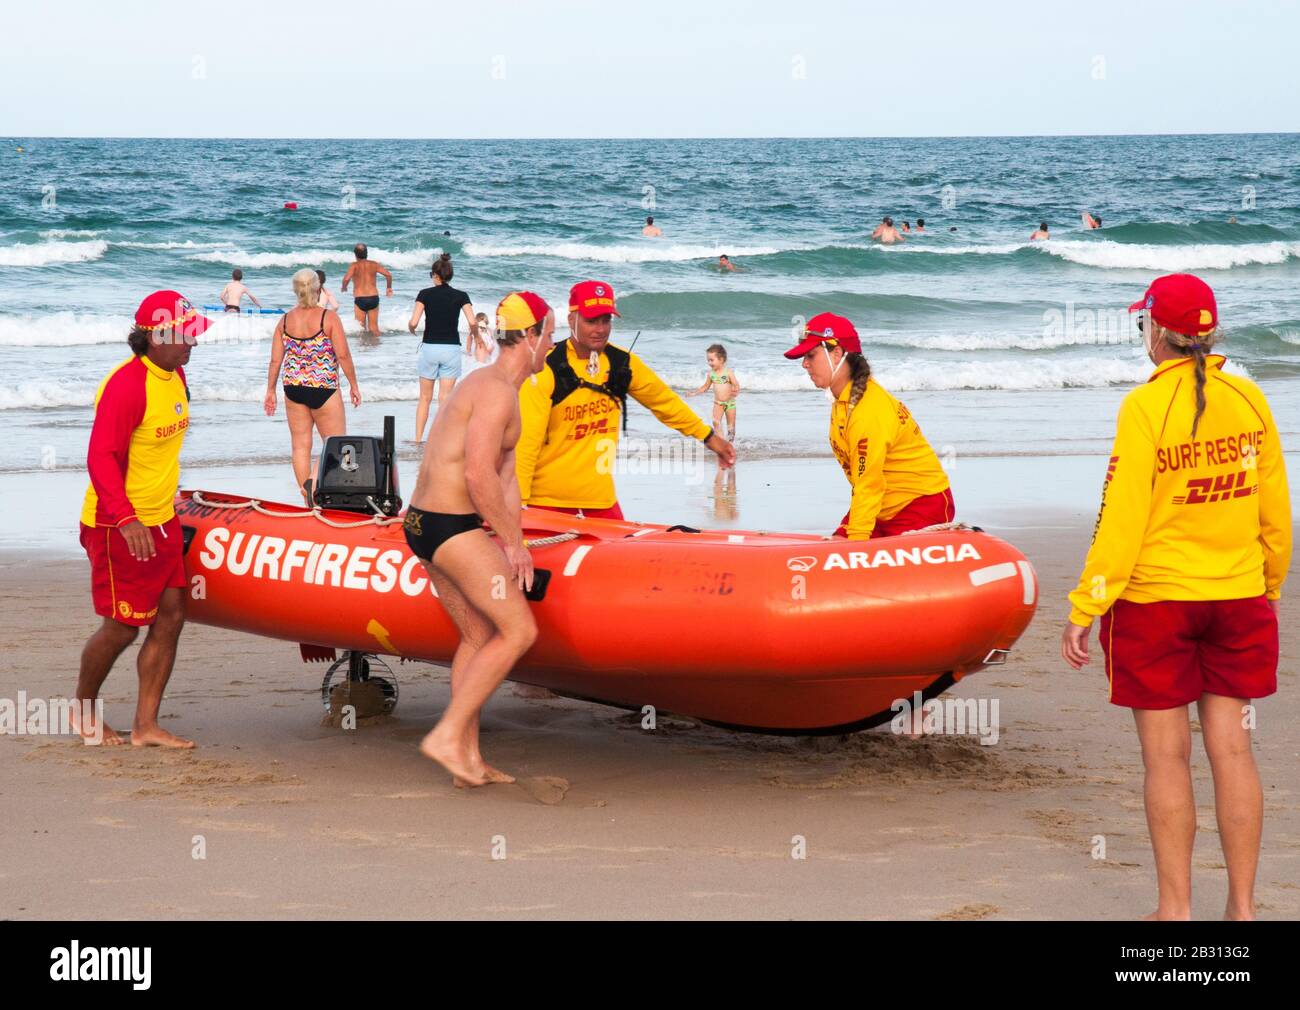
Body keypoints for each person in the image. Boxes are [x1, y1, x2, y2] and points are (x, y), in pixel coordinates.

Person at [1061, 274, 1291, 921]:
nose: (1144, 335)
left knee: (1166, 756)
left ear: (1157, 333)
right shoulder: (1250, 399)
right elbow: (1276, 514)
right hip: (1238, 597)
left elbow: (1122, 518)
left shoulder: (1143, 408)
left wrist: (1087, 604)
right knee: (1234, 749)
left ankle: (1174, 910)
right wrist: (1265, 585)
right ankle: (1243, 911)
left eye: (1143, 326)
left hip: (1157, 602)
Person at [403, 291, 555, 787]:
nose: (552, 345)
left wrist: (518, 537)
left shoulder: (490, 385)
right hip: (450, 527)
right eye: (549, 335)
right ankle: (447, 735)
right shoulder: (495, 391)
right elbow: (477, 476)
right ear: (528, 338)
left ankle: (466, 759)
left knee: (477, 635)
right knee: (519, 632)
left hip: (423, 525)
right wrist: (511, 544)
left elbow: (506, 481)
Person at [76, 291, 210, 748]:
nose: (192, 341)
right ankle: (83, 709)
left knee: (172, 616)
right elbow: (101, 458)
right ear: (156, 336)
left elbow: (158, 449)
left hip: (162, 519)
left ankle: (145, 726)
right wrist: (128, 518)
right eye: (183, 332)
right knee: (122, 626)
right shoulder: (127, 385)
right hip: (117, 524)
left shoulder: (176, 374)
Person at [516, 279, 736, 519]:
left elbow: (666, 404)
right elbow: (525, 444)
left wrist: (709, 437)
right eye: (591, 320)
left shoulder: (622, 364)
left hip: (600, 500)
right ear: (571, 320)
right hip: (545, 502)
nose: (600, 329)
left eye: (606, 320)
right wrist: (519, 508)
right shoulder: (545, 368)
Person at [785, 312, 952, 538]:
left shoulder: (867, 410)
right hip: (880, 505)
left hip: (920, 505)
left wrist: (855, 543)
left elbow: (868, 484)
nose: (804, 364)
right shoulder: (843, 400)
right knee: (832, 552)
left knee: (848, 555)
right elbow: (867, 483)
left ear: (837, 354)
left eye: (811, 355)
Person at [264, 269, 361, 501]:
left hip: (293, 388)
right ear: (318, 288)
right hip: (323, 387)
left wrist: (270, 391)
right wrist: (354, 385)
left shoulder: (285, 320)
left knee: (300, 446)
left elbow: (275, 360)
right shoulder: (328, 318)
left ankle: (307, 495)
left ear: (296, 291)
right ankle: (315, 483)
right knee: (336, 444)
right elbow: (344, 355)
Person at [408, 253, 479, 443]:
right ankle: (443, 440)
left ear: (435, 275)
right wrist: (477, 336)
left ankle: (417, 439)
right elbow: (473, 322)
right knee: (445, 399)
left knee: (424, 397)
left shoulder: (424, 294)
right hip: (451, 350)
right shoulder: (461, 296)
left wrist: (412, 328)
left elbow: (414, 321)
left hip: (430, 348)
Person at [687, 342, 740, 441]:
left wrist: (735, 390)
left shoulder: (728, 372)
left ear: (721, 360)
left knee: (731, 427)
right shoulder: (711, 374)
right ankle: (722, 441)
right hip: (718, 403)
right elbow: (705, 386)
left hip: (730, 403)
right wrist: (694, 393)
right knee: (715, 422)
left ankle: (730, 444)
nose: (709, 363)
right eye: (708, 360)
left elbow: (736, 384)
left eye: (712, 360)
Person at [341, 242, 393, 340]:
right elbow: (388, 275)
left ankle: (364, 351)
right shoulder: (374, 264)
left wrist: (344, 287)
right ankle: (377, 350)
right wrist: (388, 288)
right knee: (374, 328)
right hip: (373, 297)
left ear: (355, 254)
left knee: (360, 329)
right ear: (366, 253)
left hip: (360, 298)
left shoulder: (354, 265)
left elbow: (346, 279)